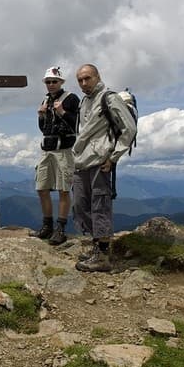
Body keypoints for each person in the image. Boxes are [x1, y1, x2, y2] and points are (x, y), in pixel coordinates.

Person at [72, 63, 136, 272]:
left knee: (99, 206)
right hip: (82, 161)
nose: (83, 83)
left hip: (100, 162)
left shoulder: (109, 98)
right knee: (81, 206)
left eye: (87, 78)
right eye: (80, 80)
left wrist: (114, 157)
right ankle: (97, 247)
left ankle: (102, 255)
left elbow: (129, 128)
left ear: (97, 77)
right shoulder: (84, 101)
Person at [29, 66, 79, 245]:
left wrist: (63, 113)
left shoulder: (71, 99)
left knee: (63, 190)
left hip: (64, 151)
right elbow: (45, 130)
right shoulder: (46, 100)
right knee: (41, 188)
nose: (51, 84)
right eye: (48, 82)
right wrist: (41, 116)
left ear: (61, 82)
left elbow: (78, 125)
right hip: (47, 150)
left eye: (54, 81)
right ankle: (47, 226)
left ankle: (60, 228)